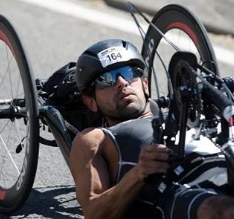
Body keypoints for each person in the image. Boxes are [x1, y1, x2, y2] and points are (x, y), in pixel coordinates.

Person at [69, 39, 234, 219]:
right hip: (184, 184)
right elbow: (93, 213)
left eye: (129, 72)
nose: (122, 82)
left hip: (225, 162)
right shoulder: (95, 138)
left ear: (145, 84)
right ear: (90, 102)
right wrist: (138, 173)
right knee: (224, 210)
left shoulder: (184, 111)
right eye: (105, 79)